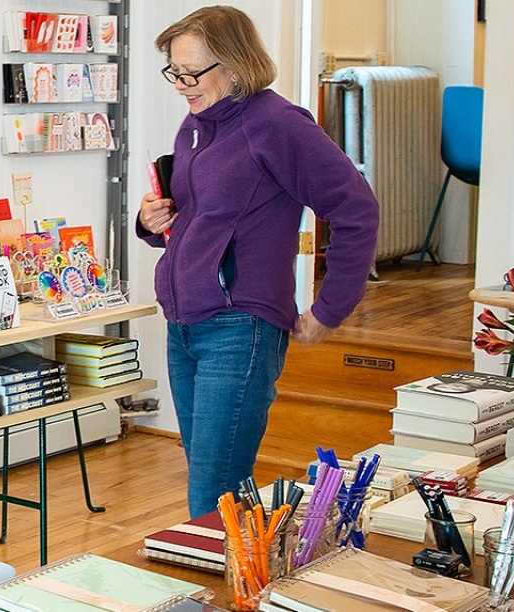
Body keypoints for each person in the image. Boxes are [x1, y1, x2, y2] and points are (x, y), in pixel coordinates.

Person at [138, 6, 379, 517]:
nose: (182, 84)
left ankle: (231, 593)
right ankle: (243, 584)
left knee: (214, 488)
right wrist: (153, 221)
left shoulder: (278, 125)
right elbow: (207, 220)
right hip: (184, 324)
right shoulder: (196, 126)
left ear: (235, 64)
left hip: (239, 325)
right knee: (211, 474)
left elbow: (356, 208)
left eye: (192, 73)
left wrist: (331, 307)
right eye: (174, 73)